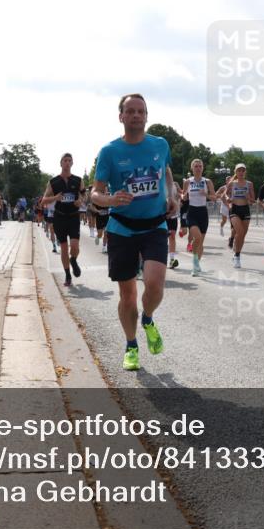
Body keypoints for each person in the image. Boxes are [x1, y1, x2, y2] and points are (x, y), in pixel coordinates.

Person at [91, 93, 178, 371]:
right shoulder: (109, 152)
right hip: (122, 228)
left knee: (155, 284)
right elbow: (95, 193)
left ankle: (148, 318)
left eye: (141, 111)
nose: (136, 115)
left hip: (154, 224)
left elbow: (167, 172)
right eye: (130, 111)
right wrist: (110, 200)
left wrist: (172, 195)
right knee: (127, 296)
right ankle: (131, 345)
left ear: (146, 116)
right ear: (121, 117)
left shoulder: (160, 144)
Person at [41, 153, 85, 286]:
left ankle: (73, 260)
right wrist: (55, 198)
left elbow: (84, 194)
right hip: (59, 217)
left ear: (72, 163)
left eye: (69, 160)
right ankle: (67, 275)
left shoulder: (78, 180)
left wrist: (80, 200)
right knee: (64, 248)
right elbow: (44, 200)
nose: (67, 162)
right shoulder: (53, 182)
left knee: (75, 246)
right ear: (61, 163)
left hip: (73, 217)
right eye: (65, 160)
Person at [182, 159, 216, 276]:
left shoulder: (207, 181)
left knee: (200, 242)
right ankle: (195, 262)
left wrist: (206, 194)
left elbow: (214, 197)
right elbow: (183, 196)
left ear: (202, 168)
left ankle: (196, 266)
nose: (198, 168)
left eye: (200, 166)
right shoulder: (188, 182)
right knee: (197, 237)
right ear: (192, 168)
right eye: (196, 166)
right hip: (192, 212)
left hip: (203, 212)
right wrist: (184, 196)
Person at [225, 164, 255, 269]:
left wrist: (249, 198)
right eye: (239, 170)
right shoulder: (232, 183)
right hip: (235, 209)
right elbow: (226, 194)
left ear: (245, 172)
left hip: (245, 210)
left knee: (242, 236)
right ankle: (237, 257)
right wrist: (228, 198)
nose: (241, 172)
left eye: (243, 170)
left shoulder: (249, 184)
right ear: (236, 172)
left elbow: (253, 200)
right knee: (240, 232)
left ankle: (236, 253)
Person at [166, 181, 181, 269]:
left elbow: (181, 194)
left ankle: (172, 260)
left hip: (173, 214)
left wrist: (180, 195)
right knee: (161, 238)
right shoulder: (158, 182)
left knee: (172, 236)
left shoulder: (175, 184)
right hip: (160, 215)